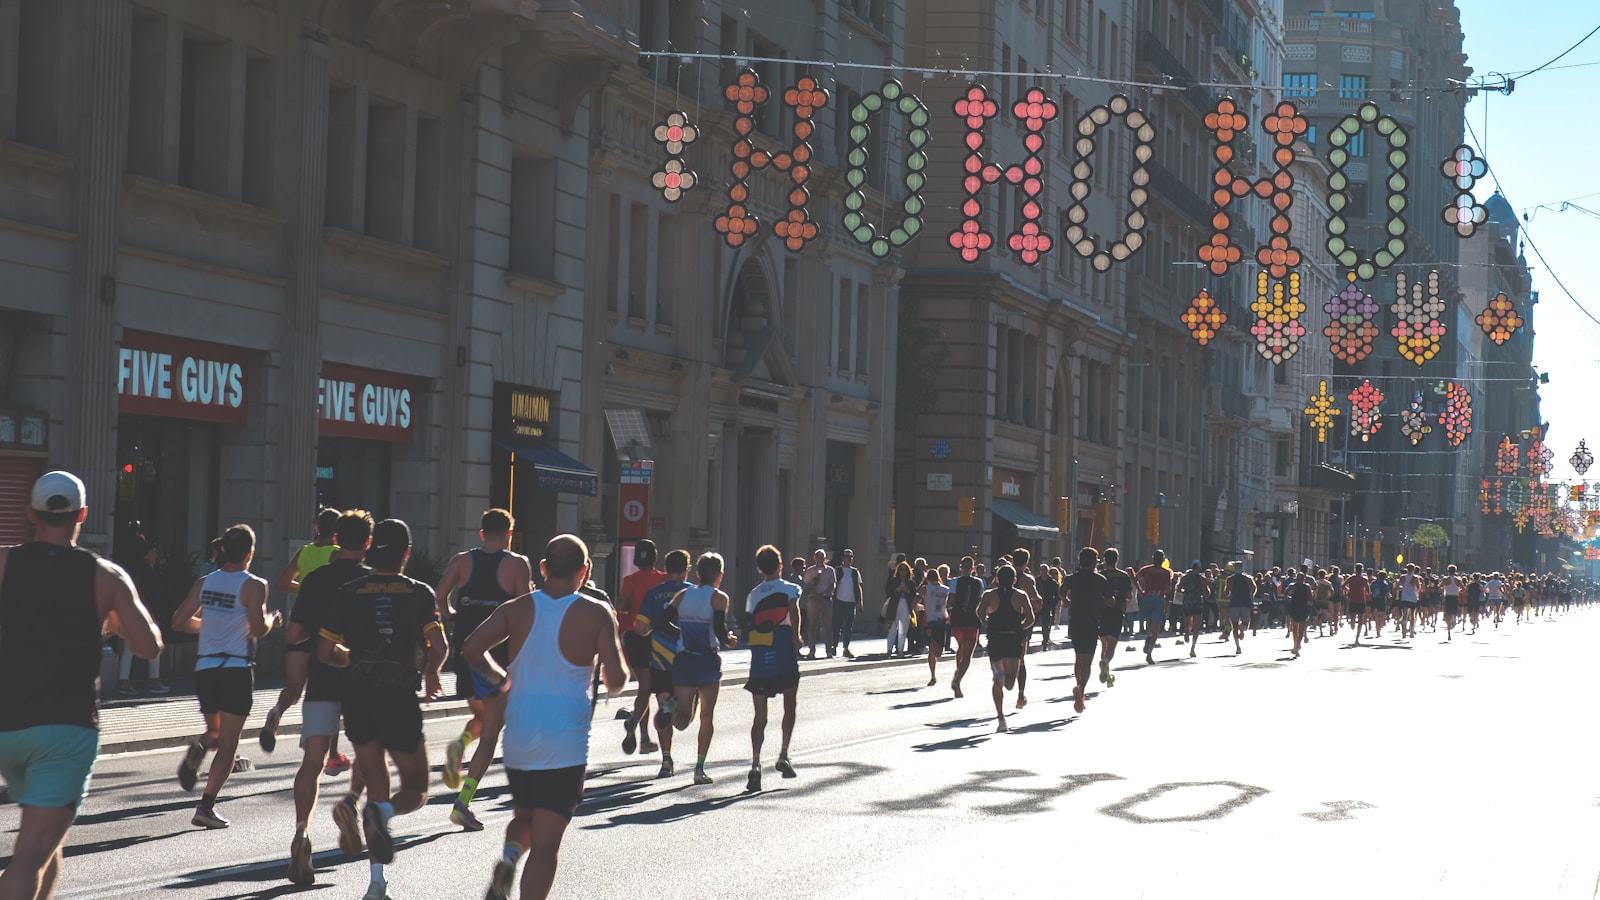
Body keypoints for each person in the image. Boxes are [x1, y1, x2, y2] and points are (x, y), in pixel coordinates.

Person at [0, 472, 163, 900]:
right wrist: (114, 620)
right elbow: (148, 646)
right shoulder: (105, 576)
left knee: (48, 839)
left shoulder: (5, 562)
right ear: (83, 515)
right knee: (29, 853)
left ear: (31, 514)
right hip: (65, 730)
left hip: (9, 727)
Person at [464, 535, 626, 900]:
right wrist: (606, 667)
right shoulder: (596, 613)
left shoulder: (516, 608)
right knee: (546, 843)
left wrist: (499, 679)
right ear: (584, 571)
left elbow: (472, 648)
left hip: (519, 739)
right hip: (564, 742)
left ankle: (509, 857)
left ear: (542, 568)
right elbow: (616, 680)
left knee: (525, 816)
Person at [317, 518, 447, 900]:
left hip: (358, 698)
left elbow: (325, 651)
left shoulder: (348, 592)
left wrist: (353, 659)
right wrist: (432, 672)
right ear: (407, 553)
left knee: (375, 786)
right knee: (417, 789)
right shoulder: (420, 593)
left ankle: (377, 883)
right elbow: (440, 646)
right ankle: (382, 816)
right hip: (398, 697)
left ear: (372, 549)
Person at [284, 510, 373, 884]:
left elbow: (293, 635)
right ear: (368, 543)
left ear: (336, 539)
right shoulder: (373, 582)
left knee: (312, 762)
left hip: (321, 679)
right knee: (369, 751)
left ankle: (302, 831)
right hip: (361, 682)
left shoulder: (316, 579)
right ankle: (351, 803)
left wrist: (320, 633)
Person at [434, 509, 535, 832]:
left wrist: (453, 615)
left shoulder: (462, 561)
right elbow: (525, 610)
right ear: (509, 534)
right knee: (491, 734)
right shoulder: (517, 564)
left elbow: (439, 596)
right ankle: (463, 803)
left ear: (481, 534)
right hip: (496, 655)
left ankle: (461, 744)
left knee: (480, 717)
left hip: (466, 650)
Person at [172, 525, 278, 829]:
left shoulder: (205, 582)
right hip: (235, 667)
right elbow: (257, 629)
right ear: (250, 553)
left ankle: (199, 746)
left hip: (205, 667)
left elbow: (178, 621)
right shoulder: (254, 585)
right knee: (229, 743)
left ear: (223, 550)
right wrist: (271, 620)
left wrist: (208, 626)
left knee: (216, 734)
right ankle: (205, 806)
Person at [261, 508, 345, 771]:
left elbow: (282, 583)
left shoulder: (304, 552)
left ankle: (276, 712)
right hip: (326, 629)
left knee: (294, 688)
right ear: (337, 532)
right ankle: (332, 753)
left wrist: (307, 587)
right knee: (331, 692)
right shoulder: (337, 554)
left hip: (300, 623)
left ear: (317, 528)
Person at [665, 552, 738, 785]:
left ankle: (669, 706)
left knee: (682, 721)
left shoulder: (683, 595)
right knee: (706, 716)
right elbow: (719, 629)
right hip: (707, 661)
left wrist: (682, 632)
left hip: (684, 659)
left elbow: (662, 622)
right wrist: (729, 640)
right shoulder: (719, 598)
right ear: (720, 575)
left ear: (697, 573)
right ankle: (699, 769)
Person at [743, 545, 801, 793]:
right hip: (783, 649)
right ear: (780, 565)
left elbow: (749, 623)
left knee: (760, 715)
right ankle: (783, 754)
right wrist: (797, 637)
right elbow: (793, 609)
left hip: (761, 653)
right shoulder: (790, 588)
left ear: (759, 568)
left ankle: (755, 764)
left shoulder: (753, 595)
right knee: (790, 703)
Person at [634, 550, 690, 778]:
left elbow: (639, 628)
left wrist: (653, 628)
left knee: (663, 703)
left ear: (665, 569)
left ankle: (666, 761)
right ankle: (674, 706)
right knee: (686, 717)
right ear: (686, 569)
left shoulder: (654, 593)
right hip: (687, 658)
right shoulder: (693, 592)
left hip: (660, 660)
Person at [614, 540, 666, 760]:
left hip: (633, 637)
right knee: (658, 687)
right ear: (656, 557)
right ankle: (637, 724)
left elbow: (620, 605)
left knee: (644, 687)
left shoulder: (630, 580)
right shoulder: (663, 579)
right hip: (658, 638)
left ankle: (644, 737)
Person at [977, 565, 1035, 732]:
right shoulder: (1020, 595)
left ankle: (1001, 718)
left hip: (996, 640)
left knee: (999, 679)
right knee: (1009, 682)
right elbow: (1030, 618)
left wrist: (987, 622)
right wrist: (1020, 627)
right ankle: (1001, 717)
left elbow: (979, 612)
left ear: (997, 579)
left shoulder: (989, 595)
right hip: (1012, 640)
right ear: (1014, 580)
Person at [114, 536, 169, 695]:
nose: (155, 555)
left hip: (139, 612)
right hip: (143, 613)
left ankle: (128, 680)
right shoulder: (145, 572)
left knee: (130, 647)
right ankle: (151, 680)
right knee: (148, 644)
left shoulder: (141, 570)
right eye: (152, 552)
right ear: (145, 555)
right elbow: (147, 594)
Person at [1061, 548, 1109, 714]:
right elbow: (1110, 600)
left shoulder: (1072, 578)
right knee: (1087, 660)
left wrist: (1066, 600)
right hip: (1091, 622)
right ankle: (1081, 689)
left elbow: (1061, 590)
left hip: (1075, 621)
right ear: (1093, 562)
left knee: (1078, 657)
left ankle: (1079, 689)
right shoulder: (1100, 579)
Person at [946, 557, 984, 698]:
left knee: (961, 647)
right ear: (973, 568)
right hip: (971, 619)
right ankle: (957, 679)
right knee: (967, 654)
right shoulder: (979, 582)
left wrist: (945, 607)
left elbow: (950, 602)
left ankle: (958, 676)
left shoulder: (954, 581)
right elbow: (980, 603)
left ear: (960, 567)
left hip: (957, 619)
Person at [1099, 549, 1133, 686]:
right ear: (1117, 560)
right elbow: (1129, 596)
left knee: (1104, 645)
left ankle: (1106, 674)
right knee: (1111, 646)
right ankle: (1105, 663)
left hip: (1101, 612)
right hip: (1117, 612)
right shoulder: (1124, 576)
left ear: (1104, 560)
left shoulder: (1100, 575)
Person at [1135, 551, 1173, 664]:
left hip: (1147, 597)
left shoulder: (1146, 569)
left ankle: (1149, 635)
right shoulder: (1166, 572)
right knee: (1156, 627)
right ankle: (1149, 654)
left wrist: (1140, 590)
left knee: (1149, 621)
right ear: (1163, 560)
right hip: (1159, 598)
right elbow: (1168, 589)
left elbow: (1135, 579)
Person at [918, 566, 952, 687]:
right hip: (937, 621)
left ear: (927, 579)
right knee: (934, 651)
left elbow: (914, 604)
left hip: (934, 620)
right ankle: (933, 676)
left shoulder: (926, 588)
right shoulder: (945, 589)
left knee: (936, 652)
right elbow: (949, 604)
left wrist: (923, 607)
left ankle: (931, 642)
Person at [800, 549, 837, 659]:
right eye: (818, 557)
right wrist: (816, 594)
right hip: (814, 600)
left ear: (825, 558)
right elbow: (805, 586)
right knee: (812, 626)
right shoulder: (810, 571)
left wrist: (825, 594)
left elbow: (833, 584)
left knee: (828, 626)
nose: (820, 559)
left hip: (826, 600)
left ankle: (829, 651)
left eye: (822, 557)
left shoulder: (830, 570)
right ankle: (812, 650)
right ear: (814, 558)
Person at [831, 549, 864, 658]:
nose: (848, 559)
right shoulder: (837, 570)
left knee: (848, 627)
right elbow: (832, 584)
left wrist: (860, 602)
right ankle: (834, 646)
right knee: (836, 625)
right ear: (842, 558)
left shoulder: (855, 572)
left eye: (850, 557)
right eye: (846, 557)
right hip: (838, 601)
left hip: (851, 602)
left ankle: (846, 648)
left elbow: (858, 587)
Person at [883, 561, 916, 656]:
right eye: (901, 569)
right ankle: (889, 650)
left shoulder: (911, 582)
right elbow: (888, 592)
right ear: (898, 570)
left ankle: (900, 650)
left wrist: (907, 590)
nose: (903, 571)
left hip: (905, 604)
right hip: (894, 605)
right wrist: (896, 590)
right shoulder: (893, 581)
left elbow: (913, 594)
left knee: (903, 629)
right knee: (892, 628)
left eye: (905, 570)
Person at [1178, 561, 1207, 658]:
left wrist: (1186, 592)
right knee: (1197, 625)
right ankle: (1193, 647)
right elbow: (1206, 591)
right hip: (1197, 602)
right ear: (1199, 568)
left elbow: (1179, 589)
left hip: (1187, 601)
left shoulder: (1185, 577)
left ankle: (1187, 628)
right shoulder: (1201, 578)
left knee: (1187, 621)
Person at [1227, 563, 1256, 655]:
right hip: (1242, 603)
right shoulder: (1246, 578)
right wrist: (1252, 595)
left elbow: (1227, 590)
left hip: (1237, 603)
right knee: (1241, 624)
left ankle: (1240, 637)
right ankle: (1238, 646)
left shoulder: (1232, 579)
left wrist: (1228, 595)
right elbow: (1254, 587)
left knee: (1238, 625)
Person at [1287, 570, 1312, 658]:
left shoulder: (1293, 586)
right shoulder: (1306, 587)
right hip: (1301, 608)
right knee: (1299, 629)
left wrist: (1288, 598)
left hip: (1296, 608)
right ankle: (1296, 646)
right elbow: (1310, 598)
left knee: (1296, 629)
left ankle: (1296, 646)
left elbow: (1285, 592)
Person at [1343, 564, 1370, 647]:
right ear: (1362, 570)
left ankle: (1352, 620)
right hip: (1361, 599)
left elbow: (1343, 585)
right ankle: (1357, 638)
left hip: (1352, 599)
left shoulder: (1351, 578)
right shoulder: (1364, 579)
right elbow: (1368, 590)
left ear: (1355, 569)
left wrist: (1348, 590)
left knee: (1352, 614)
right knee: (1360, 620)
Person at [1441, 564, 1463, 642]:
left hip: (1448, 596)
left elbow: (1441, 586)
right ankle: (1454, 618)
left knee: (1447, 612)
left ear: (1448, 571)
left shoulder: (1445, 579)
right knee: (1454, 610)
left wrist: (1445, 589)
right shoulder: (1458, 580)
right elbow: (1463, 588)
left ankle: (1449, 629)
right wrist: (1458, 590)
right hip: (1455, 596)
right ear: (1455, 571)